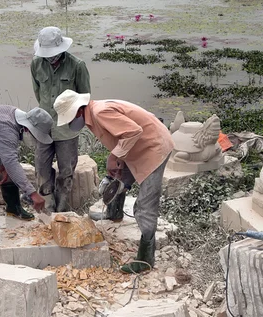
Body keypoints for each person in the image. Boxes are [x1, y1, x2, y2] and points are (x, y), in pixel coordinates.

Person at [53, 90, 175, 273]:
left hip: (154, 148)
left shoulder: (100, 112)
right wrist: (118, 159)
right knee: (117, 178)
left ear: (78, 111)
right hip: (137, 147)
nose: (71, 123)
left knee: (144, 207)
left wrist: (113, 155)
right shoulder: (94, 114)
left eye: (70, 119)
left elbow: (133, 132)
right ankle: (114, 211)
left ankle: (146, 259)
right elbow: (124, 136)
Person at [30, 26, 91, 212]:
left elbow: (84, 97)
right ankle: (48, 208)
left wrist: (72, 117)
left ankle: (62, 210)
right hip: (44, 127)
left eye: (53, 54)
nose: (50, 57)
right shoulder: (36, 64)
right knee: (41, 167)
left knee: (66, 170)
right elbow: (38, 93)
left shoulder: (77, 66)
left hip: (67, 128)